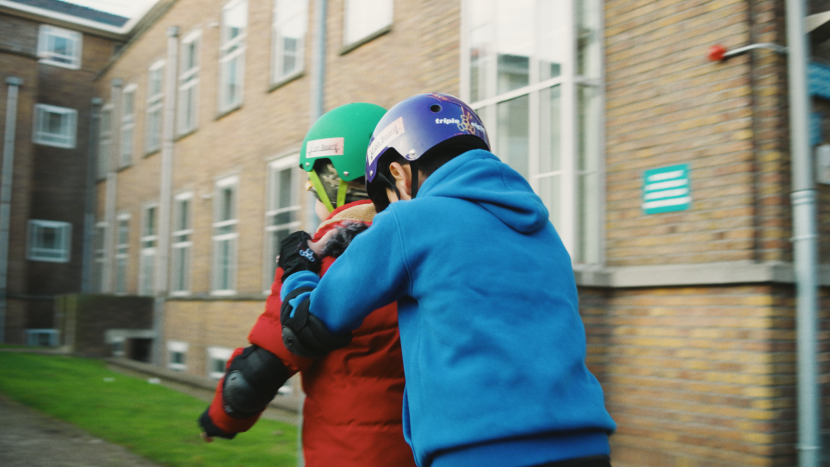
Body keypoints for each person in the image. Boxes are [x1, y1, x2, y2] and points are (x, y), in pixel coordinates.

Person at [277, 93, 617, 467]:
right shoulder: (543, 230)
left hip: (480, 452)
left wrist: (299, 266)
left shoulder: (408, 222)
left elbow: (304, 326)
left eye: (388, 199)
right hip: (586, 446)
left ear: (399, 175)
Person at [198, 103, 417, 467]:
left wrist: (221, 419)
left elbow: (263, 366)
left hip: (348, 450)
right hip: (426, 445)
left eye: (315, 194)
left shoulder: (317, 255)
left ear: (332, 181)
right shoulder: (426, 241)